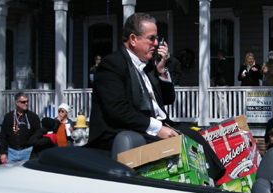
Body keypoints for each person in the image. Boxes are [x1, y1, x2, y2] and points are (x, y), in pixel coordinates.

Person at [88, 13, 225, 180]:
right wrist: (158, 129)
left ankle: (218, 182)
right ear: (133, 39)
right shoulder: (112, 65)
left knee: (193, 135)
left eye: (157, 38)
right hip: (124, 131)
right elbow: (117, 110)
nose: (156, 43)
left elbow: (168, 99)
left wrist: (161, 69)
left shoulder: (148, 67)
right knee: (182, 145)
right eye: (151, 38)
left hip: (152, 126)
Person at [0, 92, 41, 163]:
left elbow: (38, 134)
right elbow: (3, 135)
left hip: (27, 151)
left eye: (27, 101)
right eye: (23, 102)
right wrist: (2, 152)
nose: (26, 103)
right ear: (17, 103)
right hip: (12, 152)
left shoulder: (33, 117)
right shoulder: (9, 117)